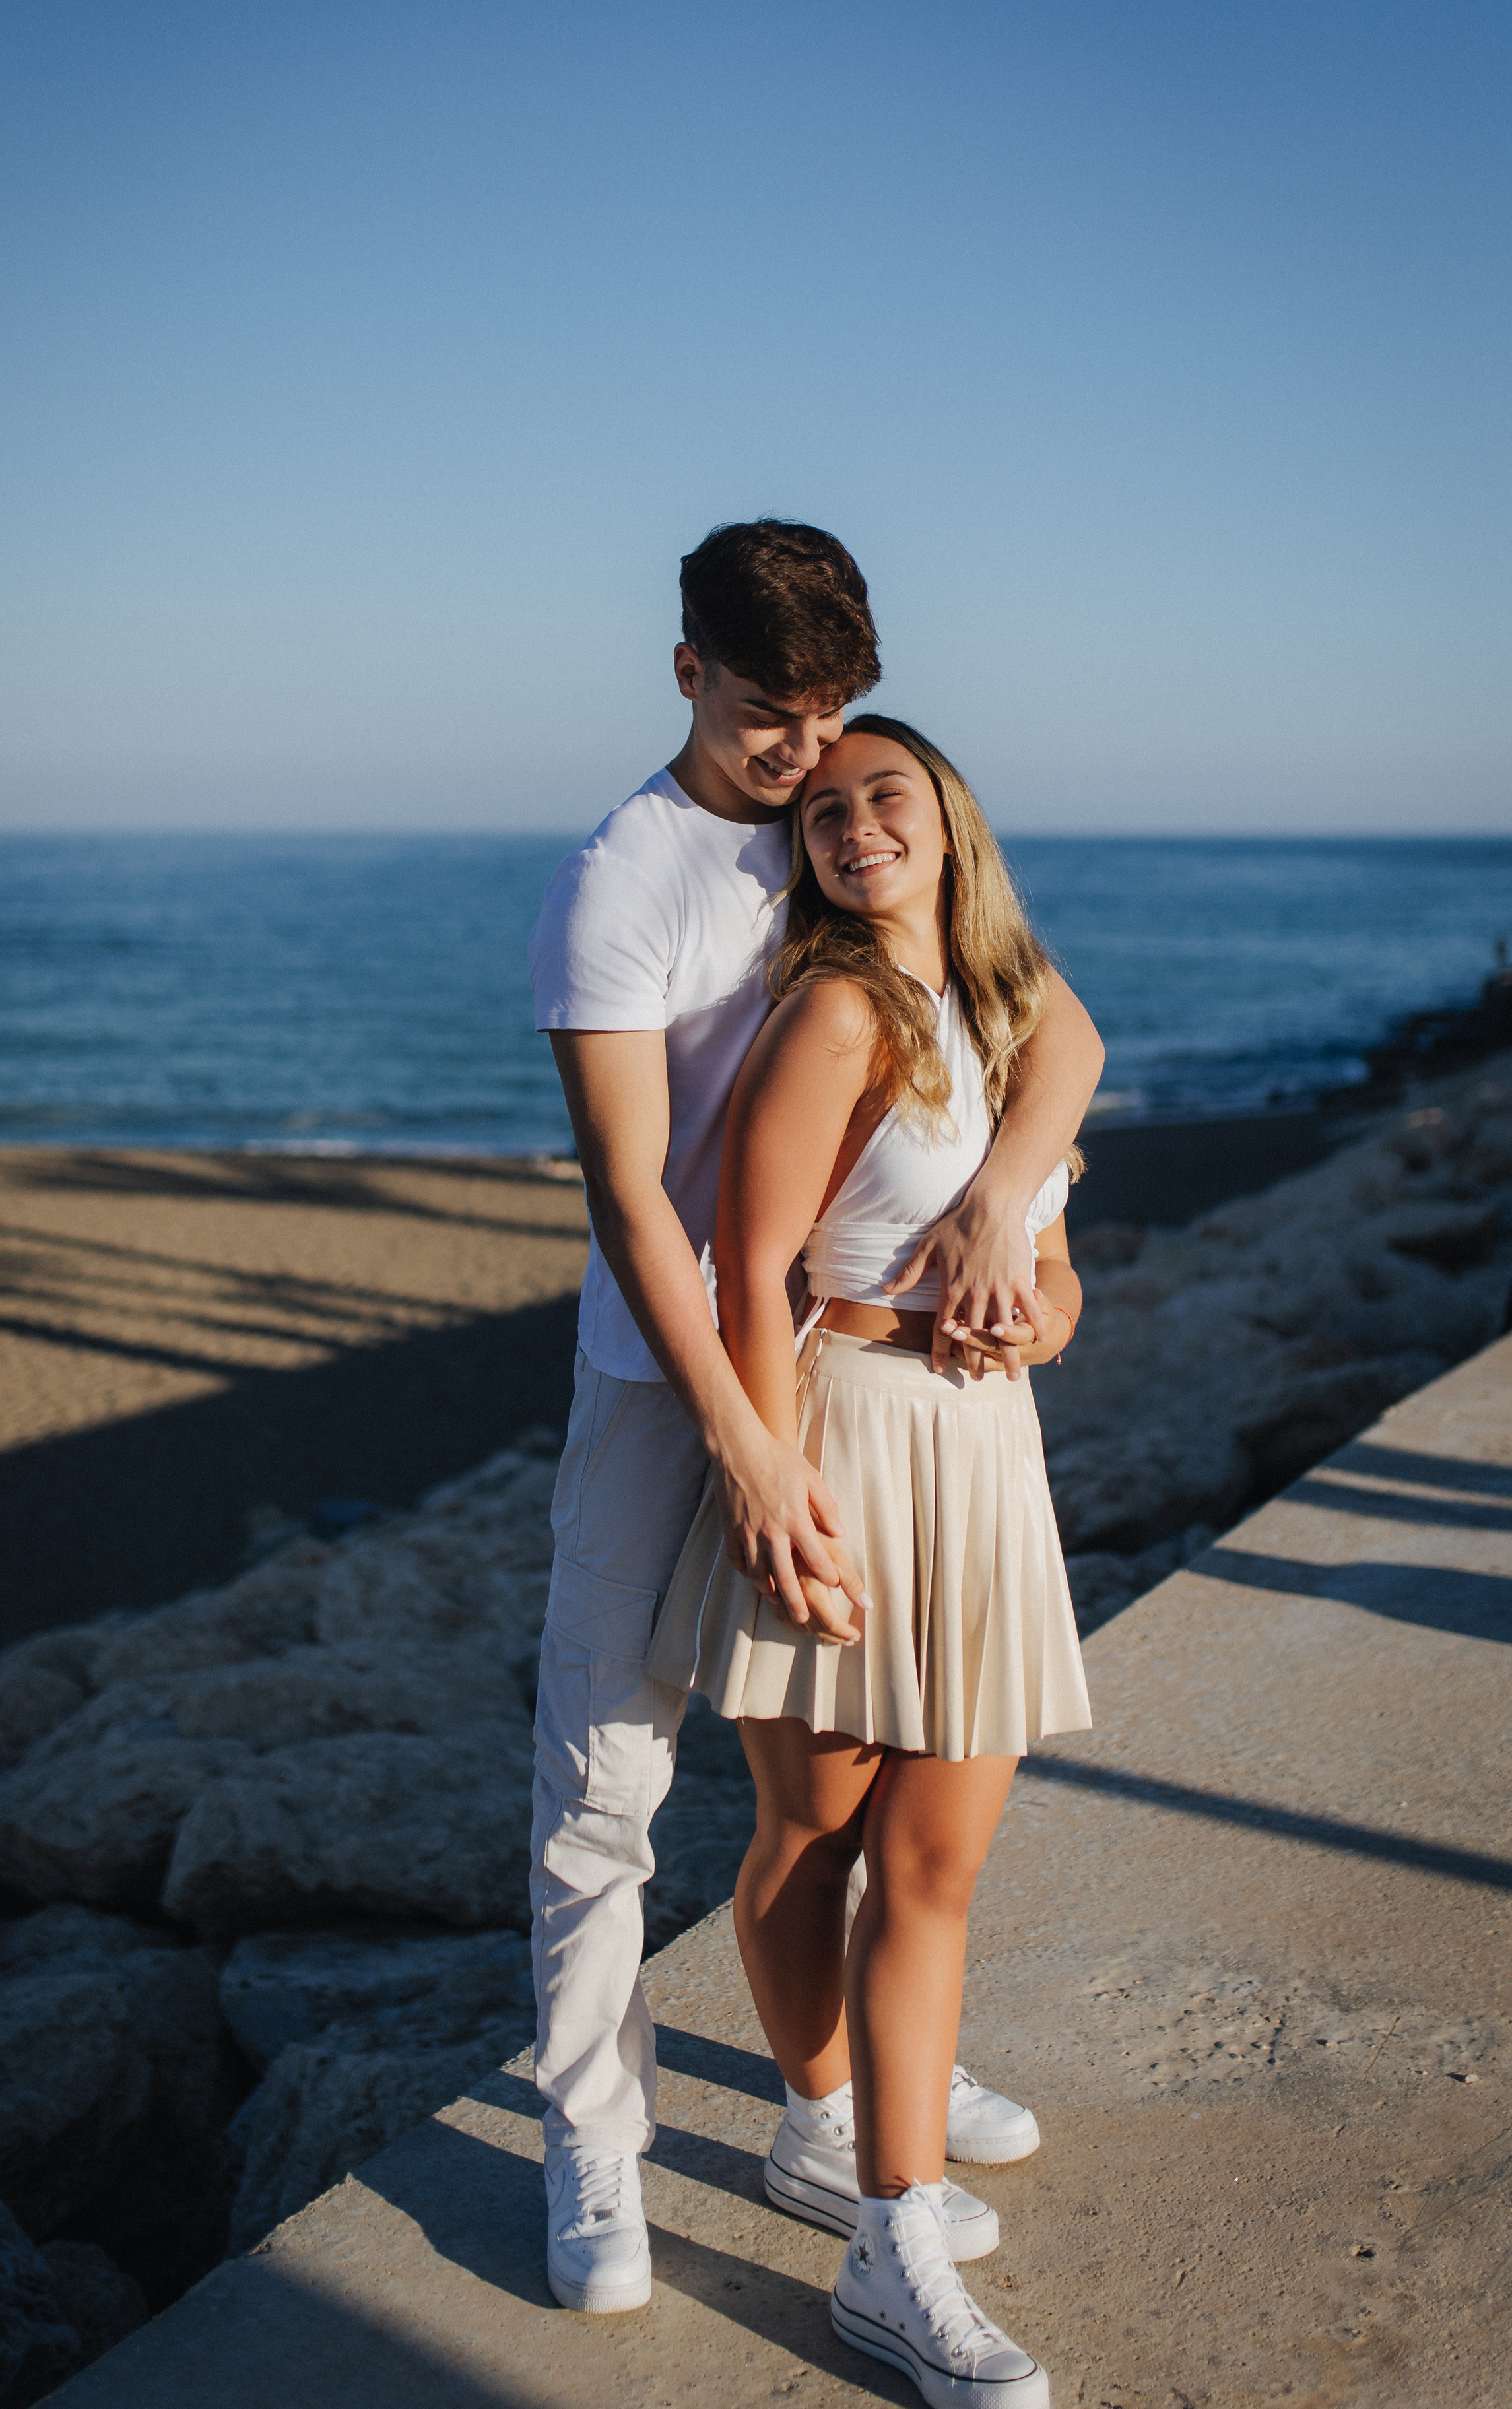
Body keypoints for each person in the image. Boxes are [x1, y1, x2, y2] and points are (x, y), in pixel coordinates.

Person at [527, 521, 1105, 2319]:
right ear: (688, 671)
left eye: (837, 723)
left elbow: (1052, 1029)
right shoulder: (623, 881)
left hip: (881, 1395)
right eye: (780, 724)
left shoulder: (854, 857)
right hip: (673, 1371)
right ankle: (597, 2149)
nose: (810, 767)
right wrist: (752, 1444)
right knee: (610, 1784)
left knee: (895, 1830)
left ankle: (854, 2108)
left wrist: (1009, 1211)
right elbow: (646, 1212)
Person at [647, 715, 1090, 2406]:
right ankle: (824, 2131)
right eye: (821, 811)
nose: (851, 826)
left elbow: (1060, 1273)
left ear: (948, 816)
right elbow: (749, 1271)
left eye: (881, 793)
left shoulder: (1007, 1007)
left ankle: (881, 2223)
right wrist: (766, 1491)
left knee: (936, 1862)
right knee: (815, 1823)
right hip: (840, 1443)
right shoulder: (835, 1013)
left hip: (980, 1459)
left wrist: (1036, 1300)